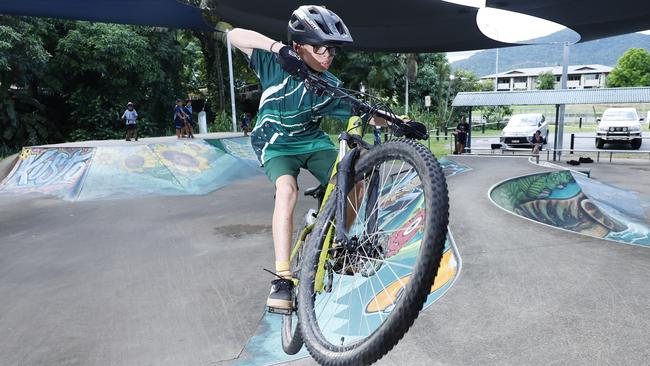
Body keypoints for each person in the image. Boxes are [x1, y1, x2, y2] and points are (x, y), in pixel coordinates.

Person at [228, 5, 388, 312]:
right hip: (274, 143)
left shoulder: (328, 84)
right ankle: (283, 277)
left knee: (357, 173)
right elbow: (234, 35)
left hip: (311, 142)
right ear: (298, 47)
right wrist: (277, 48)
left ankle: (335, 243)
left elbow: (364, 112)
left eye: (332, 50)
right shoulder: (274, 63)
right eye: (320, 48)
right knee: (286, 191)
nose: (327, 56)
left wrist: (397, 122)